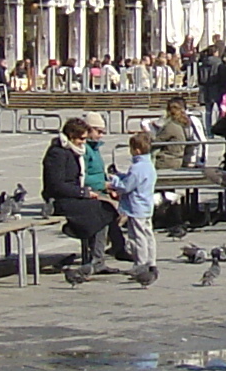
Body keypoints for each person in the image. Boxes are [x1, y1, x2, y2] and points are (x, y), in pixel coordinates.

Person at [42, 115, 132, 276]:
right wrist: (83, 192)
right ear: (71, 136)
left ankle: (98, 259)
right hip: (59, 200)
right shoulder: (57, 153)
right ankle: (96, 256)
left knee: (104, 208)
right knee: (100, 210)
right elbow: (56, 185)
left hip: (73, 195)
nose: (83, 142)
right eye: (81, 139)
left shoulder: (74, 150)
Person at [112, 129, 160, 285]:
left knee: (137, 237)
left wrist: (115, 182)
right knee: (148, 234)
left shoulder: (137, 167)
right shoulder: (149, 165)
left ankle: (140, 264)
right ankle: (151, 262)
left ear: (136, 150)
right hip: (146, 205)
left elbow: (127, 186)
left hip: (136, 206)